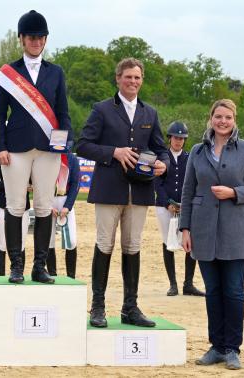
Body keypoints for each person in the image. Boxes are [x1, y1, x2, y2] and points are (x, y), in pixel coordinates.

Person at [77, 57, 169, 328]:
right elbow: (83, 145)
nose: (133, 81)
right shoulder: (102, 109)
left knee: (133, 246)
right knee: (105, 244)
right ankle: (98, 306)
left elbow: (160, 146)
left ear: (142, 80)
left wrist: (162, 161)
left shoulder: (149, 113)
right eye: (128, 77)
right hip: (109, 188)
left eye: (137, 77)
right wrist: (113, 152)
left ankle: (130, 307)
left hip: (139, 190)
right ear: (118, 78)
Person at [180, 99, 244, 370]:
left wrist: (234, 193)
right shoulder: (196, 151)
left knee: (233, 292)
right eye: (218, 116)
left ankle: (232, 348)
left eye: (228, 117)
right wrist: (185, 228)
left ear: (234, 120)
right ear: (211, 118)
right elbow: (187, 191)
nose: (223, 122)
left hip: (235, 231)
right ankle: (216, 346)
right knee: (213, 291)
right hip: (203, 229)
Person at [0, 10, 73, 284]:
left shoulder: (56, 72)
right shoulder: (9, 73)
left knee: (43, 205)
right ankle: (16, 264)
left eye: (40, 37)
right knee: (15, 205)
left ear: (45, 39)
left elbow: (63, 111)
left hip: (49, 149)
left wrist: (63, 142)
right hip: (16, 147)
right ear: (22, 39)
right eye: (31, 37)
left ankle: (40, 266)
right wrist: (0, 146)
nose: (36, 41)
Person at [154, 121, 204, 297]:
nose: (179, 141)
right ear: (170, 138)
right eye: (176, 137)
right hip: (164, 206)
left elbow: (193, 183)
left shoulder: (190, 158)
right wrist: (167, 203)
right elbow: (157, 184)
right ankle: (173, 284)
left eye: (182, 138)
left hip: (185, 206)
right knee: (168, 243)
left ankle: (188, 284)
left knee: (190, 242)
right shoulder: (162, 158)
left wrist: (186, 204)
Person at [0, 159, 30, 276]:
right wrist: (14, 186)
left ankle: (19, 273)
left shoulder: (28, 159)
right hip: (3, 204)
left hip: (23, 204)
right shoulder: (0, 159)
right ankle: (0, 276)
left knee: (22, 242)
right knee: (2, 242)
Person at [47, 152, 80, 278]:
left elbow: (75, 183)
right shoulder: (46, 157)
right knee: (48, 240)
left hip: (65, 199)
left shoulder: (72, 159)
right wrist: (48, 205)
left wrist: (68, 206)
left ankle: (71, 276)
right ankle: (52, 274)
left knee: (71, 241)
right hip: (48, 200)